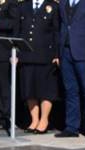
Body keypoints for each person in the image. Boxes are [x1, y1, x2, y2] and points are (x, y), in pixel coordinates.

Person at [56, 0, 85, 138]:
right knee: (70, 91)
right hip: (65, 51)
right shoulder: (63, 2)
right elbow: (61, 26)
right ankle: (72, 127)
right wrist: (58, 52)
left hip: (83, 51)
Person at [19, 0, 62, 133]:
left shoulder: (53, 6)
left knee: (46, 90)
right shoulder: (23, 5)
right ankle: (34, 120)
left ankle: (44, 120)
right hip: (27, 54)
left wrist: (56, 54)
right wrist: (16, 52)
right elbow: (18, 30)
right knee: (29, 89)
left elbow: (56, 32)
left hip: (45, 55)